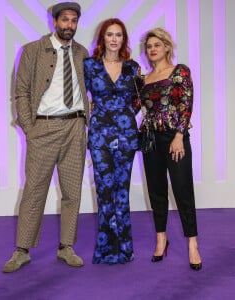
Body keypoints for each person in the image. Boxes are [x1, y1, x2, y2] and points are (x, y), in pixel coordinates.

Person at [3, 2, 89, 273]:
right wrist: (30, 128)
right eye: (65, 20)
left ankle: (66, 246)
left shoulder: (82, 53)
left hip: (74, 128)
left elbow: (89, 90)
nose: (70, 26)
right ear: (55, 22)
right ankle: (22, 250)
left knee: (72, 192)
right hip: (44, 129)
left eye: (74, 21)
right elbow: (21, 92)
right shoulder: (32, 50)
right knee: (34, 191)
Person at [139, 28, 202, 270]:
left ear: (166, 47)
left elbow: (186, 103)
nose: (152, 49)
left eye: (157, 44)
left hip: (174, 137)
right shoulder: (143, 79)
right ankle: (161, 239)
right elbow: (133, 106)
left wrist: (179, 135)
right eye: (148, 46)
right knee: (156, 191)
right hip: (150, 139)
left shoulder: (179, 71)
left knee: (183, 191)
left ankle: (193, 244)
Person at [83, 18, 141, 264]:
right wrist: (94, 116)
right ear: (102, 38)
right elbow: (79, 97)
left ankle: (125, 249)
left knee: (122, 191)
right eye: (110, 34)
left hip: (126, 137)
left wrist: (125, 118)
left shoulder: (133, 67)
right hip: (99, 138)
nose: (114, 39)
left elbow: (138, 100)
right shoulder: (90, 66)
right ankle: (106, 249)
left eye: (119, 35)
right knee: (105, 191)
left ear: (124, 39)